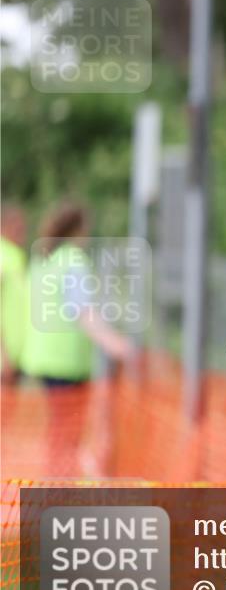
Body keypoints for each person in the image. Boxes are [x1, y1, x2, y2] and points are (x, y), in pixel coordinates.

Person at [20, 203, 134, 476]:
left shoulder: (44, 260)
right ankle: (59, 489)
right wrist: (115, 343)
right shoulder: (74, 261)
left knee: (58, 431)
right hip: (66, 363)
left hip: (41, 357)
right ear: (79, 228)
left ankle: (55, 483)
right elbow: (83, 311)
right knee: (67, 432)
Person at [1, 205, 28, 386]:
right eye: (18, 228)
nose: (23, 233)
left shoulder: (16, 255)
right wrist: (3, 354)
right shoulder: (2, 255)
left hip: (17, 356)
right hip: (5, 358)